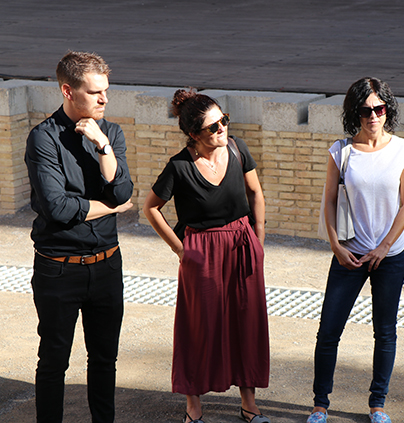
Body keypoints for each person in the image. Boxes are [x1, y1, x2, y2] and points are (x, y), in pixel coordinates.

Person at [143, 88, 269, 423]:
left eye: (223, 120)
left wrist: (258, 240)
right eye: (213, 127)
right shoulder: (179, 167)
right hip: (202, 251)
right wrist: (181, 249)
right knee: (198, 327)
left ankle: (249, 404)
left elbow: (255, 193)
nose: (222, 128)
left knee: (246, 323)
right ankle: (193, 407)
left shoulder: (238, 149)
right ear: (194, 134)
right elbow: (151, 208)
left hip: (242, 244)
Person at [24, 51, 134, 423]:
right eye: (95, 92)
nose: (104, 99)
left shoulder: (111, 133)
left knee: (104, 359)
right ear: (68, 91)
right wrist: (111, 207)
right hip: (58, 269)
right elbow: (57, 208)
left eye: (106, 90)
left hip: (107, 265)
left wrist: (102, 145)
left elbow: (122, 191)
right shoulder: (43, 138)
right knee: (54, 360)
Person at [307, 77, 404, 423]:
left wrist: (384, 247)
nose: (373, 116)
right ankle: (320, 405)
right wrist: (336, 246)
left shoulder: (403, 149)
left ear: (387, 110)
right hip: (349, 255)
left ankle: (377, 405)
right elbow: (329, 201)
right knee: (329, 331)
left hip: (390, 257)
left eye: (379, 109)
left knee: (385, 332)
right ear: (354, 113)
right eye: (365, 110)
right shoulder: (341, 151)